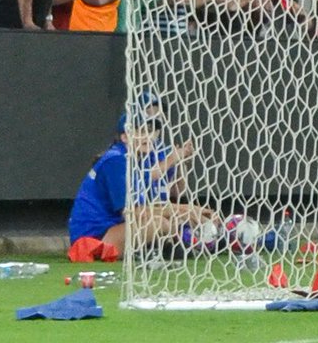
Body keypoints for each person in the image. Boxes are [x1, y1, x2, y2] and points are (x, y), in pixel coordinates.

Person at [67, 112, 216, 262]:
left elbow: (153, 189)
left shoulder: (133, 161)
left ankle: (159, 250)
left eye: (150, 131)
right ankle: (153, 251)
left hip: (109, 230)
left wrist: (187, 210)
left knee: (168, 222)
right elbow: (134, 212)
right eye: (141, 131)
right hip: (91, 240)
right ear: (125, 137)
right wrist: (185, 211)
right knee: (159, 224)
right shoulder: (116, 161)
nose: (148, 137)